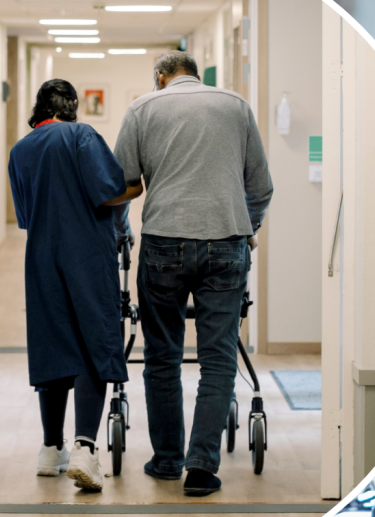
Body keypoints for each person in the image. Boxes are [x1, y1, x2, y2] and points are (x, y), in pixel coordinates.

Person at [113, 51, 273, 495]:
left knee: (162, 355)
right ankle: (202, 466)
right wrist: (248, 228)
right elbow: (260, 188)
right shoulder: (235, 106)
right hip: (227, 240)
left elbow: (124, 181)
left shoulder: (143, 108)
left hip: (164, 241)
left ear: (161, 77)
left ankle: (167, 461)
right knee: (218, 356)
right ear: (197, 76)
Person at [8, 79, 143, 491]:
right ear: (72, 107)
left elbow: (26, 216)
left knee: (52, 341)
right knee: (92, 342)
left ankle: (51, 449)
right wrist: (138, 185)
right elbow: (108, 194)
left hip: (42, 256)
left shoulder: (21, 150)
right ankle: (86, 447)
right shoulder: (81, 134)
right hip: (85, 254)